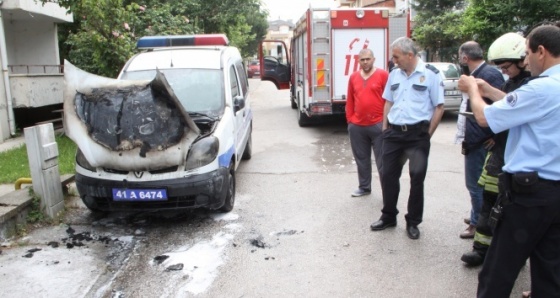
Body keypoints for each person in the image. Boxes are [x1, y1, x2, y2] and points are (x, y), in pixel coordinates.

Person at [459, 23, 560, 297]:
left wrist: (472, 90)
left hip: (529, 195)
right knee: (549, 270)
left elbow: (484, 117)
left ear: (541, 51)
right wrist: (490, 90)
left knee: (497, 272)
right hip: (554, 193)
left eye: (527, 53)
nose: (526, 61)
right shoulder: (549, 89)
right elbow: (522, 106)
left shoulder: (541, 88)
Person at [460, 32, 532, 266]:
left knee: (510, 208)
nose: (503, 70)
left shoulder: (533, 83)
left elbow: (515, 108)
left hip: (519, 156)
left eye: (506, 66)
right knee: (488, 201)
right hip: (499, 152)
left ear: (522, 59)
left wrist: (481, 90)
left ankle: (513, 256)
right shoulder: (510, 81)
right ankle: (481, 249)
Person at [369, 37, 445, 240]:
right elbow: (388, 102)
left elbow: (439, 106)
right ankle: (388, 216)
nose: (393, 61)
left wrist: (427, 135)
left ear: (409, 55)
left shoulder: (430, 75)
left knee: (417, 179)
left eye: (396, 56)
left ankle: (413, 222)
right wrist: (385, 130)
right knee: (388, 176)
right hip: (393, 134)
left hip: (417, 135)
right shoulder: (394, 75)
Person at [457, 41, 505, 239]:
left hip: (482, 140)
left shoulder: (489, 75)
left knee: (476, 186)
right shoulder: (477, 74)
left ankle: (479, 225)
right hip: (475, 138)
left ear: (464, 58)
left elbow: (502, 110)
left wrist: (496, 137)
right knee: (475, 185)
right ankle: (475, 216)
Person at [346, 48, 389, 197]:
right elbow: (350, 100)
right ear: (358, 61)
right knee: (362, 159)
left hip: (378, 124)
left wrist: (386, 122)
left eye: (368, 59)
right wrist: (350, 120)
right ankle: (364, 187)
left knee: (382, 161)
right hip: (357, 126)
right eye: (362, 59)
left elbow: (389, 100)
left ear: (373, 59)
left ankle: (387, 191)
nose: (365, 62)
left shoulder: (383, 75)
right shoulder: (353, 77)